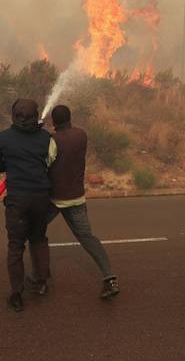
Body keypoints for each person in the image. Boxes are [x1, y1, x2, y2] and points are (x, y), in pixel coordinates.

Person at [30, 104, 120, 298]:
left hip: (55, 198)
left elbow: (44, 162)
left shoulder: (53, 140)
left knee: (35, 232)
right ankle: (110, 278)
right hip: (77, 197)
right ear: (70, 118)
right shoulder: (82, 135)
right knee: (87, 238)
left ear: (53, 121)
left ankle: (40, 277)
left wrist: (38, 135)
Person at [0, 98, 53, 312]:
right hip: (41, 198)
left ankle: (16, 294)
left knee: (16, 245)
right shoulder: (45, 137)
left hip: (17, 200)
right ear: (35, 116)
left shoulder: (3, 138)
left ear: (13, 115)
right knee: (38, 239)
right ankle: (42, 282)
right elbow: (51, 161)